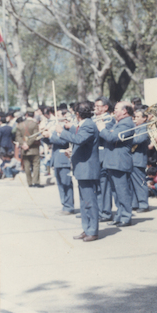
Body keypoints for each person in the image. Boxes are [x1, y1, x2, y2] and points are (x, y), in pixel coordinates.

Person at [55, 101, 100, 242]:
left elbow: (79, 139)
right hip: (82, 168)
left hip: (87, 168)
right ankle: (86, 229)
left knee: (89, 201)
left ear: (78, 114)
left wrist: (61, 132)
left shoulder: (88, 125)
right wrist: (72, 151)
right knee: (84, 201)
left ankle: (92, 230)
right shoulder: (84, 125)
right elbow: (81, 144)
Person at [97, 101, 135, 227]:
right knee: (116, 192)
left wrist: (102, 128)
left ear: (124, 111)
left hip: (119, 161)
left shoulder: (126, 123)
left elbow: (112, 138)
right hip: (114, 161)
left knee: (122, 191)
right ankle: (119, 215)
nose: (114, 111)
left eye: (117, 109)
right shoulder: (120, 123)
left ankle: (125, 217)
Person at [43, 118, 75, 215]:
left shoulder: (65, 129)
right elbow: (51, 142)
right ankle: (65, 205)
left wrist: (51, 135)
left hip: (64, 160)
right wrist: (45, 136)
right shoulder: (56, 129)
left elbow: (63, 142)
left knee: (66, 184)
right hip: (56, 160)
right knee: (61, 185)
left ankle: (69, 206)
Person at [94, 97, 114, 222]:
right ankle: (99, 210)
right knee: (97, 186)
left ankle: (106, 212)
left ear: (105, 107)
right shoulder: (94, 119)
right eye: (95, 106)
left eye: (98, 106)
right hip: (94, 156)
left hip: (103, 155)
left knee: (104, 186)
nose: (95, 109)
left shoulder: (110, 119)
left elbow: (104, 134)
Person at [129, 109, 150, 213]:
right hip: (131, 159)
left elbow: (139, 139)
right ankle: (134, 203)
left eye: (138, 117)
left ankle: (143, 204)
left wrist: (126, 140)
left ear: (144, 118)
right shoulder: (135, 127)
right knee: (132, 183)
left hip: (138, 159)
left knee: (140, 182)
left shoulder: (144, 128)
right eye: (135, 117)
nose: (135, 119)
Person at [14, 110, 42, 187]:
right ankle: (36, 182)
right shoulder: (34, 124)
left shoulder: (20, 125)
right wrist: (28, 144)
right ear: (33, 115)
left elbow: (18, 137)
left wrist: (23, 144)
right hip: (34, 148)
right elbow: (35, 136)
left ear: (26, 114)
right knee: (36, 164)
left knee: (27, 165)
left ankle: (29, 182)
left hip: (24, 148)